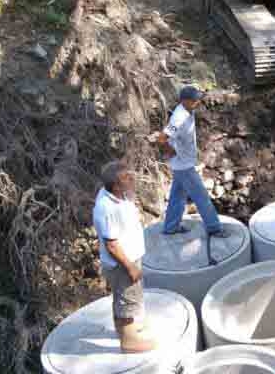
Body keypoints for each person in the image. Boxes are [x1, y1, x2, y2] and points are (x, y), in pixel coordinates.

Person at [93, 160, 156, 353]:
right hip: (121, 262)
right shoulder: (107, 208)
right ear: (115, 185)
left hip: (128, 256)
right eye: (126, 178)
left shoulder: (118, 195)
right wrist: (130, 266)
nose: (131, 178)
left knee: (123, 298)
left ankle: (126, 330)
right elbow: (111, 244)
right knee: (127, 300)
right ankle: (129, 342)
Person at [157, 85, 228, 237]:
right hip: (184, 166)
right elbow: (162, 138)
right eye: (195, 100)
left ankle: (170, 227)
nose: (198, 102)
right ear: (185, 101)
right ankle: (214, 228)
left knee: (177, 196)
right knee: (201, 197)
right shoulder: (179, 118)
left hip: (183, 163)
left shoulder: (189, 110)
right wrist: (172, 151)